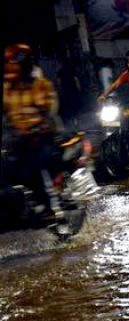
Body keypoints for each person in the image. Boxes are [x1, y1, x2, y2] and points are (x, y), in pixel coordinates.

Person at [3, 43, 63, 217]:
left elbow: (49, 110)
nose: (9, 67)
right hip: (17, 141)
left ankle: (50, 205)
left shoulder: (41, 85)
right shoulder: (8, 90)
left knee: (36, 163)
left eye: (12, 63)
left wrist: (36, 128)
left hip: (40, 139)